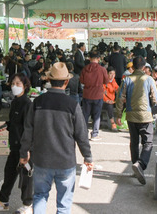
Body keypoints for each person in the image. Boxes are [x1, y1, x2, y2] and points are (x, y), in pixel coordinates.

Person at [20, 62, 92, 214]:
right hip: (65, 162)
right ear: (66, 82)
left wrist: (23, 153)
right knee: (64, 203)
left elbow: (28, 130)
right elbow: (81, 134)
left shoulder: (37, 102)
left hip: (41, 160)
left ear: (49, 80)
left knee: (40, 196)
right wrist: (87, 157)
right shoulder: (72, 105)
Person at [0, 73, 34, 213]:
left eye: (18, 84)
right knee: (9, 173)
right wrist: (2, 127)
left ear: (25, 86)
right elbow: (14, 123)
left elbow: (28, 128)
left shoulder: (27, 104)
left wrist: (26, 149)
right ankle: (3, 201)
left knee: (26, 177)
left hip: (24, 147)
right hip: (14, 145)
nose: (15, 86)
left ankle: (27, 205)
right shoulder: (14, 102)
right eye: (13, 83)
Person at [122, 57, 157, 184]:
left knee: (134, 142)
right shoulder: (149, 79)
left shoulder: (126, 79)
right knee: (147, 142)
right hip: (145, 116)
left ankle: (135, 166)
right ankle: (140, 164)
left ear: (133, 66)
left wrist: (117, 114)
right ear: (143, 67)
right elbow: (155, 98)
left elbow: (120, 97)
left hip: (131, 115)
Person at [79, 50, 109, 141]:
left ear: (89, 58)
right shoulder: (102, 69)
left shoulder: (85, 68)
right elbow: (106, 81)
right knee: (96, 116)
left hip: (87, 94)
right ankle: (95, 134)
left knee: (85, 115)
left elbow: (82, 81)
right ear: (99, 59)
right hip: (98, 95)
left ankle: (84, 134)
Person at [103, 67, 119, 131]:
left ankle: (121, 121)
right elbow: (102, 93)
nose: (112, 75)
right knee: (109, 106)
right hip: (104, 102)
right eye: (110, 73)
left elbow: (118, 89)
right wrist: (107, 100)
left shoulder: (114, 81)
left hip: (112, 101)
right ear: (107, 74)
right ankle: (113, 123)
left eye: (114, 74)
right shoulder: (103, 82)